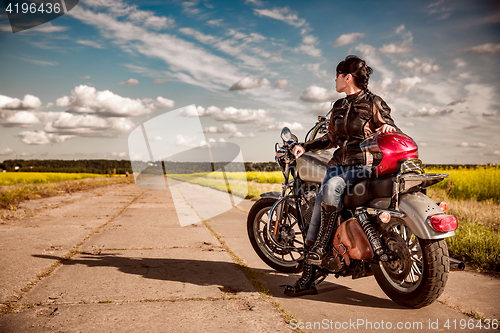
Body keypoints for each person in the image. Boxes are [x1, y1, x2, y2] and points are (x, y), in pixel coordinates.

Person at [284, 55, 399, 297]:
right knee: (316, 215)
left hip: (362, 169)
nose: (334, 80)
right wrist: (305, 146)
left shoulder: (373, 103)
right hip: (337, 167)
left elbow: (390, 128)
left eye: (337, 75)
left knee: (331, 188)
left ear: (347, 78)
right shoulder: (339, 106)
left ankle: (315, 257)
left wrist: (388, 128)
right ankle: (311, 272)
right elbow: (331, 139)